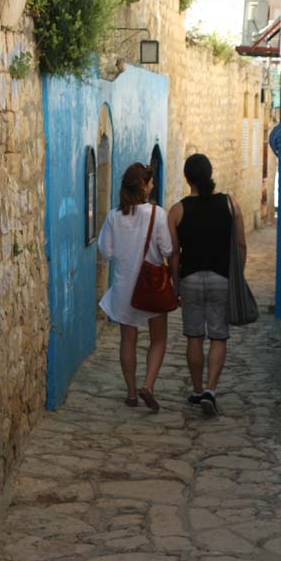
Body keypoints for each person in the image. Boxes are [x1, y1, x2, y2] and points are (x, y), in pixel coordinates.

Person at [168, 153, 247, 417]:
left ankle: (197, 389)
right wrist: (237, 277)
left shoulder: (177, 211)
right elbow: (241, 245)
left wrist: (175, 284)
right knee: (218, 336)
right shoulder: (230, 204)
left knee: (194, 337)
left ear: (187, 178)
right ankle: (211, 390)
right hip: (221, 279)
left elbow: (174, 254)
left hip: (190, 279)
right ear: (210, 173)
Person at [98, 162, 173, 411]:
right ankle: (148, 386)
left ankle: (131, 393)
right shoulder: (157, 214)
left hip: (124, 287)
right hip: (152, 286)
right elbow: (167, 249)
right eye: (150, 183)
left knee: (127, 340)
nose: (152, 187)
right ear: (143, 185)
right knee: (158, 338)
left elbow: (106, 251)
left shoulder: (113, 216)